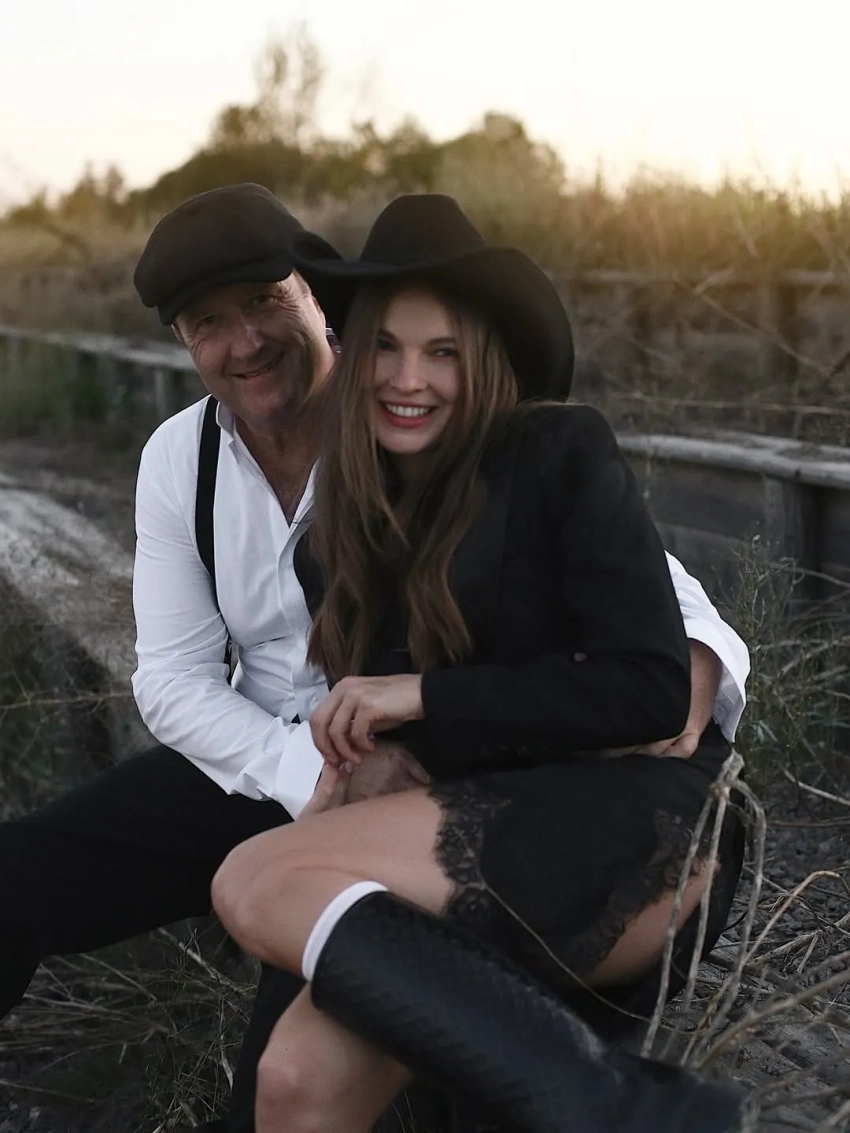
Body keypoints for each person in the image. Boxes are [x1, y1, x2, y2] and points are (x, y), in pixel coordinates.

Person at [0, 184, 748, 1133]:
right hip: (285, 755)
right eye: (209, 323)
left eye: (265, 301)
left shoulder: (455, 433)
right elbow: (174, 678)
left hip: (442, 768)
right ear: (184, 341)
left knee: (280, 1010)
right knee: (26, 876)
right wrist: (310, 770)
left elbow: (639, 589)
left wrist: (698, 660)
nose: (246, 341)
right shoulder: (188, 461)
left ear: (316, 301)